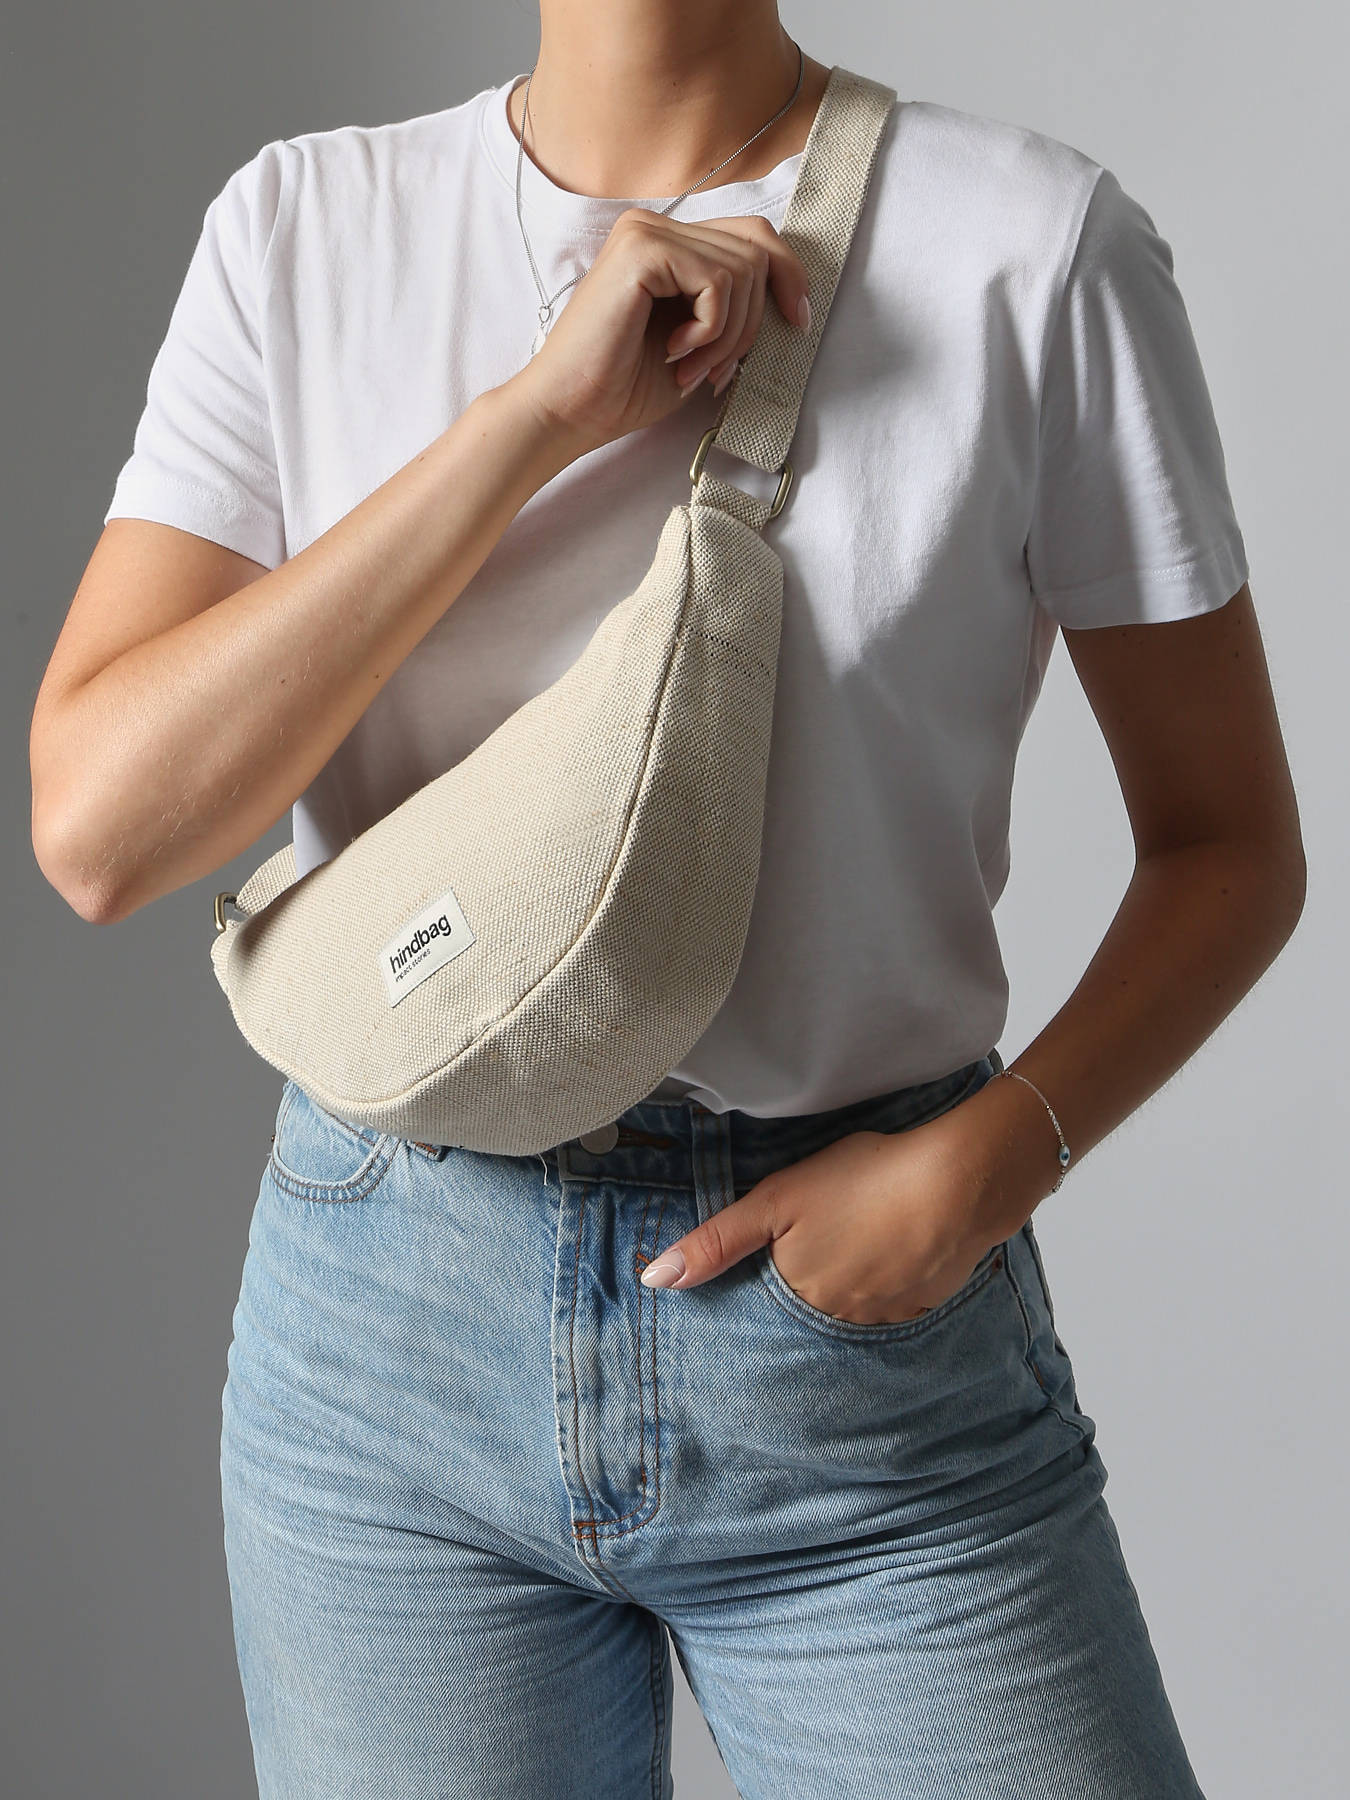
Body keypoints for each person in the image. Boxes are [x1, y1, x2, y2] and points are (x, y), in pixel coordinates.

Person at [30, 4, 1304, 1796]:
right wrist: (533, 421)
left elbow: (1229, 843)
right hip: (389, 1337)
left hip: (854, 1347)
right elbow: (102, 834)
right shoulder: (306, 227)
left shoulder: (1030, 247)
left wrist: (989, 1163)